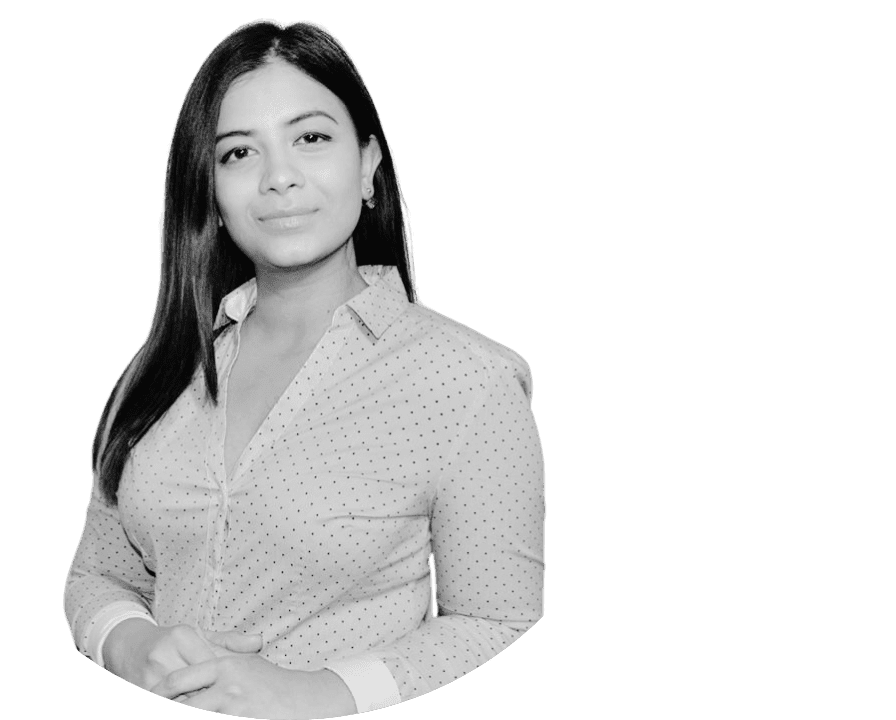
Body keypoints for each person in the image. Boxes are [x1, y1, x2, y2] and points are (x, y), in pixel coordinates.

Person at [64, 19, 544, 718]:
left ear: (368, 164)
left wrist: (312, 692)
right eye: (238, 153)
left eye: (311, 138)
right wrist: (130, 646)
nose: (279, 177)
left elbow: (501, 624)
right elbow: (97, 575)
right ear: (211, 192)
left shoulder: (469, 382)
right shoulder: (159, 370)